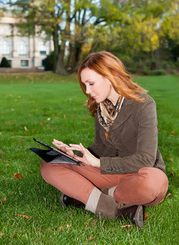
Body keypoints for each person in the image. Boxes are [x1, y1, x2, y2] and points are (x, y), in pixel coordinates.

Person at [40, 51, 168, 228]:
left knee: (153, 182)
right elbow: (100, 147)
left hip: (138, 176)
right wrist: (74, 155)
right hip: (109, 174)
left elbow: (146, 159)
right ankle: (111, 208)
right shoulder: (100, 107)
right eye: (85, 85)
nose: (87, 91)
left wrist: (99, 164)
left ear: (110, 76)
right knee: (50, 164)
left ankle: (87, 198)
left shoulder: (144, 104)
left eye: (91, 84)